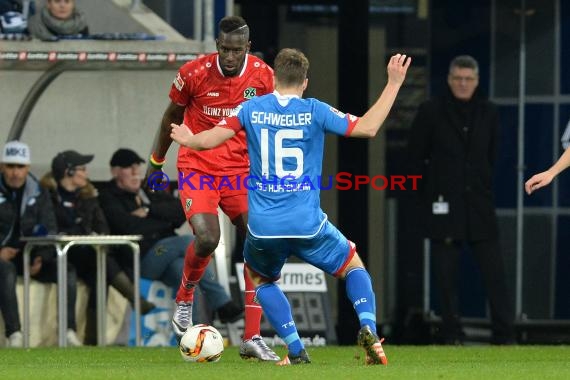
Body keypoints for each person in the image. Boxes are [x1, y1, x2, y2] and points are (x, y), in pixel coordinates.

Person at [170, 48, 410, 365]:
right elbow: (367, 127)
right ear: (305, 82)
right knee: (353, 266)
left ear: (274, 79)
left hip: (264, 226)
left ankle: (296, 348)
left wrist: (187, 138)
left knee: (261, 280)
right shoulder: (316, 110)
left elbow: (209, 141)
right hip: (307, 222)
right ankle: (367, 326)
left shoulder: (250, 109)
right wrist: (393, 83)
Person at [146, 15, 278, 360]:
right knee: (207, 238)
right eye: (224, 49)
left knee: (258, 238)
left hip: (239, 170)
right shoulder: (194, 73)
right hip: (198, 164)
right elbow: (170, 117)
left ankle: (252, 336)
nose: (229, 57)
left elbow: (269, 125)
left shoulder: (263, 76)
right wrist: (155, 163)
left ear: (247, 48)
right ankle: (185, 297)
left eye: (236, 50)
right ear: (217, 46)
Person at [407, 55, 515, 345]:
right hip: (443, 203)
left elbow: (497, 154)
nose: (464, 84)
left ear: (477, 81)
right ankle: (451, 334)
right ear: (450, 80)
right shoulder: (431, 111)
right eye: (458, 79)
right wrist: (425, 196)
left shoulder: (489, 111)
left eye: (469, 79)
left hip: (479, 203)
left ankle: (505, 335)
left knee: (495, 273)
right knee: (444, 277)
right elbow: (415, 155)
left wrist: (485, 184)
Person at [98, 148, 244, 325]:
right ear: (115, 171)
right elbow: (128, 226)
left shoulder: (148, 190)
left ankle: (192, 332)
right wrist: (164, 221)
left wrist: (149, 210)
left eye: (137, 166)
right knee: (190, 241)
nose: (136, 172)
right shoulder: (108, 197)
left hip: (167, 255)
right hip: (144, 258)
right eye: (129, 168)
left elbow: (181, 208)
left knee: (186, 275)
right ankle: (223, 304)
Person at [39, 150, 156, 345]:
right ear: (68, 172)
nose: (87, 173)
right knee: (98, 262)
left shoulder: (88, 196)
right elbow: (47, 229)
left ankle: (93, 339)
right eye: (82, 169)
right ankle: (134, 297)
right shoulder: (46, 197)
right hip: (56, 256)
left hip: (84, 254)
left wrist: (96, 236)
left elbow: (102, 227)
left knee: (99, 273)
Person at [0, 140, 82, 347]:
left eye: (20, 167)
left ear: (28, 167)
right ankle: (14, 334)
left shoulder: (39, 192)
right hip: (3, 257)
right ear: (2, 167)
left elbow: (49, 229)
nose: (15, 173)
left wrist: (40, 257)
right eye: (10, 166)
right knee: (6, 270)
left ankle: (68, 330)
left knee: (67, 270)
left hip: (30, 255)